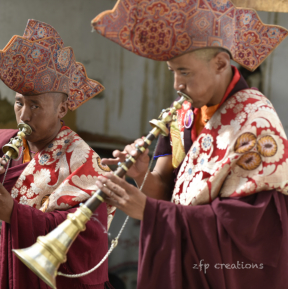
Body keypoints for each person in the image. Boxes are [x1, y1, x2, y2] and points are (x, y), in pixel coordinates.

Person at [91, 0, 288, 288]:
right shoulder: (182, 115)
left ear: (221, 63)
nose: (176, 84)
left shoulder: (257, 121)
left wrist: (150, 213)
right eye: (173, 71)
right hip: (182, 254)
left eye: (184, 72)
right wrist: (140, 174)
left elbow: (250, 229)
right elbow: (164, 189)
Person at [0, 20, 115, 289]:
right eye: (19, 102)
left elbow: (89, 235)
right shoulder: (3, 142)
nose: (24, 115)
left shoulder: (82, 160)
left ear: (62, 109)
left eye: (35, 104)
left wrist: (15, 213)